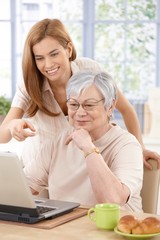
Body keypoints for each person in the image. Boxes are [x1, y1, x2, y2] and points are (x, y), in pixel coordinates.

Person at [0, 18, 159, 169]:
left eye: (54, 54)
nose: (48, 64)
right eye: (39, 58)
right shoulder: (30, 85)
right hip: (39, 170)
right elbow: (3, 136)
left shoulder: (90, 70)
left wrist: (141, 148)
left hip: (81, 168)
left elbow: (126, 109)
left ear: (68, 49)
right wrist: (13, 126)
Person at [24, 71, 143, 211]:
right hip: (64, 228)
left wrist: (88, 147)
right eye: (73, 104)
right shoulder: (59, 140)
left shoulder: (127, 145)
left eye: (89, 105)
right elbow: (23, 186)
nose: (80, 112)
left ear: (110, 107)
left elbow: (113, 200)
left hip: (114, 229)